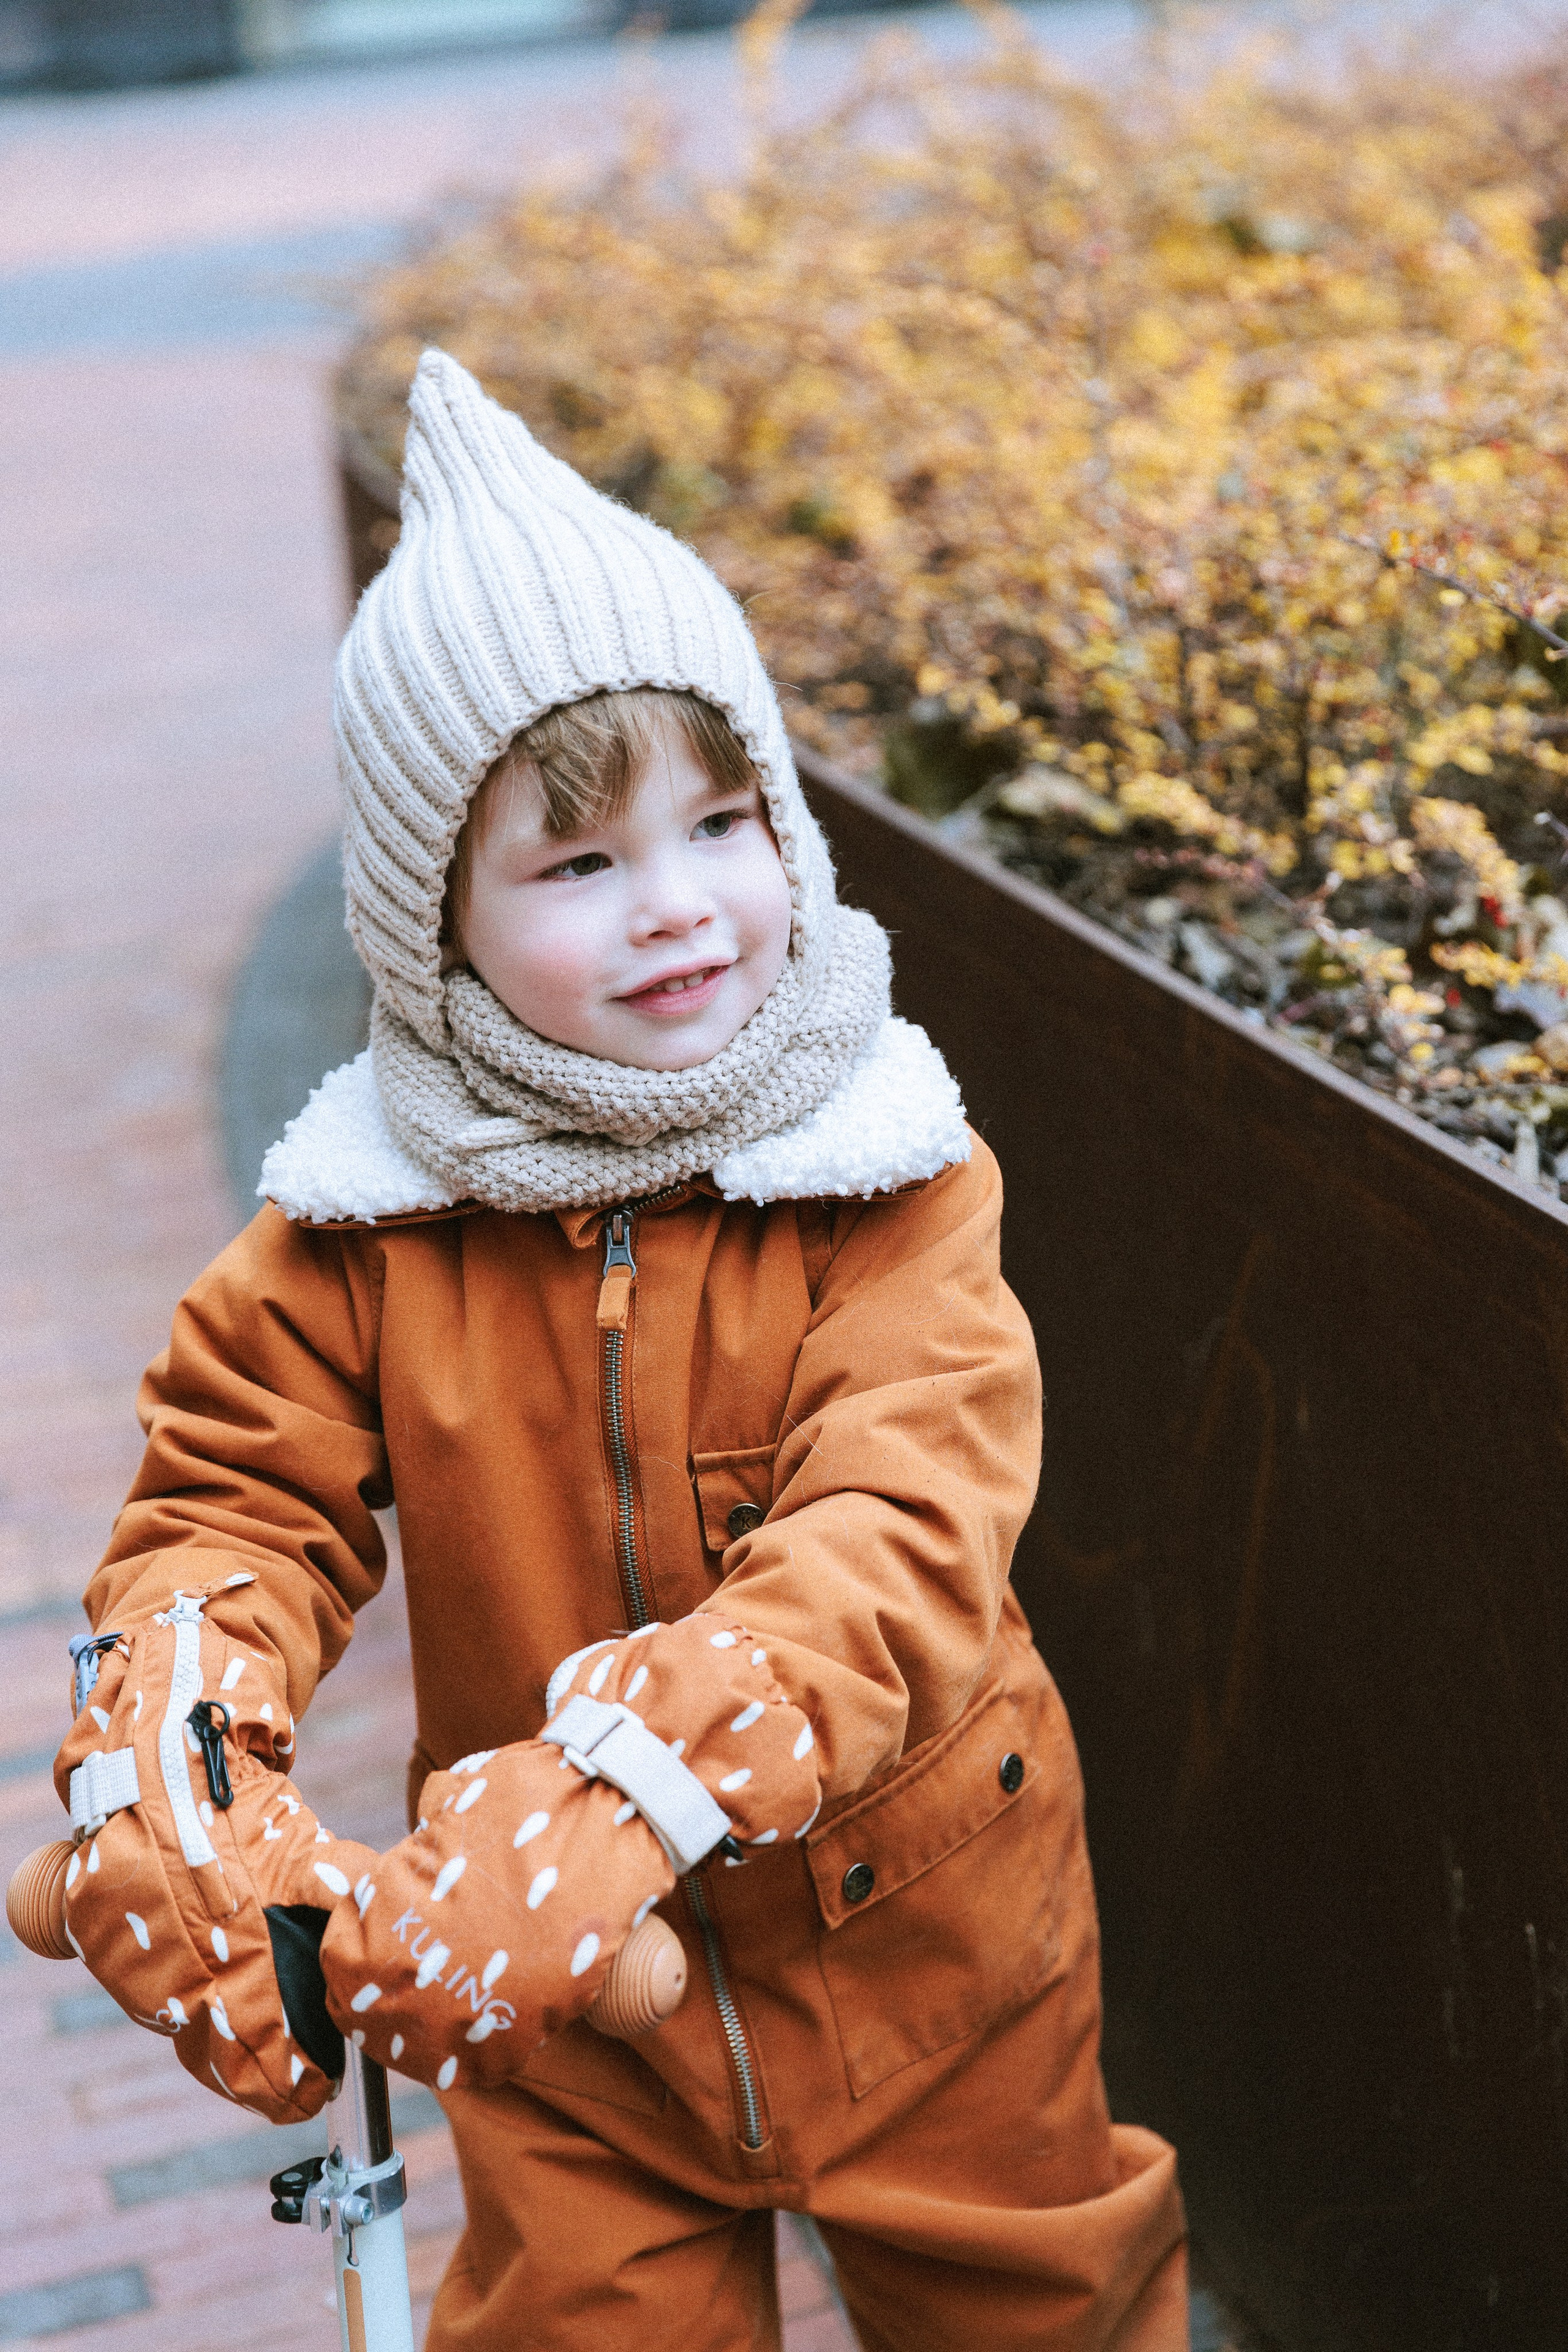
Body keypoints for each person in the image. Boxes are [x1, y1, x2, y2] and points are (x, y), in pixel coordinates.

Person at [51, 351, 1187, 2350]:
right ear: (436, 926)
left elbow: (899, 1534)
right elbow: (237, 1492)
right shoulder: (366, 1233)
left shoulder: (892, 1177)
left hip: (924, 1936)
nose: (676, 909)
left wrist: (634, 1784)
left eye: (722, 822)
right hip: (540, 1984)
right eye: (578, 865)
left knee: (1038, 2311)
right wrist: (183, 1742)